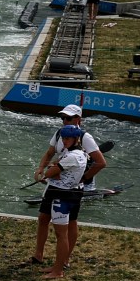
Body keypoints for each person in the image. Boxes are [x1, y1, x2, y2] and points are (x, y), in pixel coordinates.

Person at [30, 105, 104, 263]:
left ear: (78, 119)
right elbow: (50, 153)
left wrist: (83, 178)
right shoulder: (60, 134)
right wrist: (41, 168)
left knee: (70, 223)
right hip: (55, 185)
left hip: (70, 189)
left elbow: (100, 162)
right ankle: (38, 255)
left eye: (69, 118)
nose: (65, 120)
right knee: (43, 218)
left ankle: (64, 260)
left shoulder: (85, 137)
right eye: (63, 117)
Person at [33, 129, 88, 278]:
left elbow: (50, 172)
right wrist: (54, 169)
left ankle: (58, 270)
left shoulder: (72, 156)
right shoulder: (78, 153)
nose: (65, 141)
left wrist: (50, 171)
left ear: (76, 138)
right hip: (64, 192)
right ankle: (56, 266)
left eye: (68, 138)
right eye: (63, 138)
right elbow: (55, 166)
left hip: (62, 195)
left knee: (61, 234)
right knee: (49, 223)